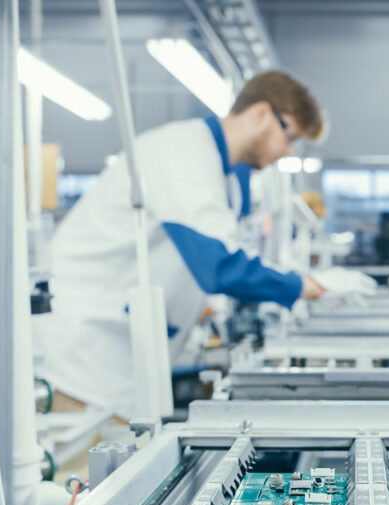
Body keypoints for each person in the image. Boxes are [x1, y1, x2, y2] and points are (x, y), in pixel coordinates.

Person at [34, 71, 333, 419]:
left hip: (124, 355)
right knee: (89, 467)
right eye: (289, 136)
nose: (287, 152)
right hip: (87, 355)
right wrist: (300, 286)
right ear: (261, 114)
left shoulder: (224, 177)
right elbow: (219, 265)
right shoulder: (182, 152)